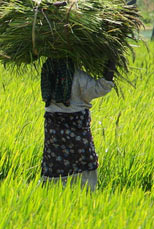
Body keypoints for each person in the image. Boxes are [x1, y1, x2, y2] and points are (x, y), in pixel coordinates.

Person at [40, 57, 116, 190]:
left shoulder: (48, 74)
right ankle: (84, 193)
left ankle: (53, 192)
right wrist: (111, 64)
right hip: (77, 128)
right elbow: (99, 88)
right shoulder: (77, 75)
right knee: (85, 160)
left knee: (54, 162)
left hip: (53, 129)